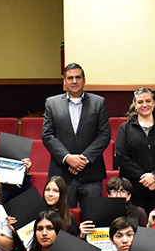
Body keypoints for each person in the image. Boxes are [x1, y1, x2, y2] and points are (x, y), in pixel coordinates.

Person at [42, 63, 111, 209]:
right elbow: (47, 135)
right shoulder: (51, 103)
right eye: (70, 78)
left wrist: (83, 160)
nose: (74, 81)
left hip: (91, 173)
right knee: (64, 221)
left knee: (93, 219)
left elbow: (104, 135)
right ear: (64, 81)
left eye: (78, 77)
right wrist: (67, 158)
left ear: (84, 80)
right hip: (62, 174)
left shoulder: (98, 102)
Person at [115, 87, 155, 214]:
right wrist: (144, 178)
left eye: (148, 101)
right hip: (134, 190)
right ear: (135, 105)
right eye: (140, 102)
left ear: (154, 103)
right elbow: (122, 157)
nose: (144, 105)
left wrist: (154, 176)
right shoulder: (125, 128)